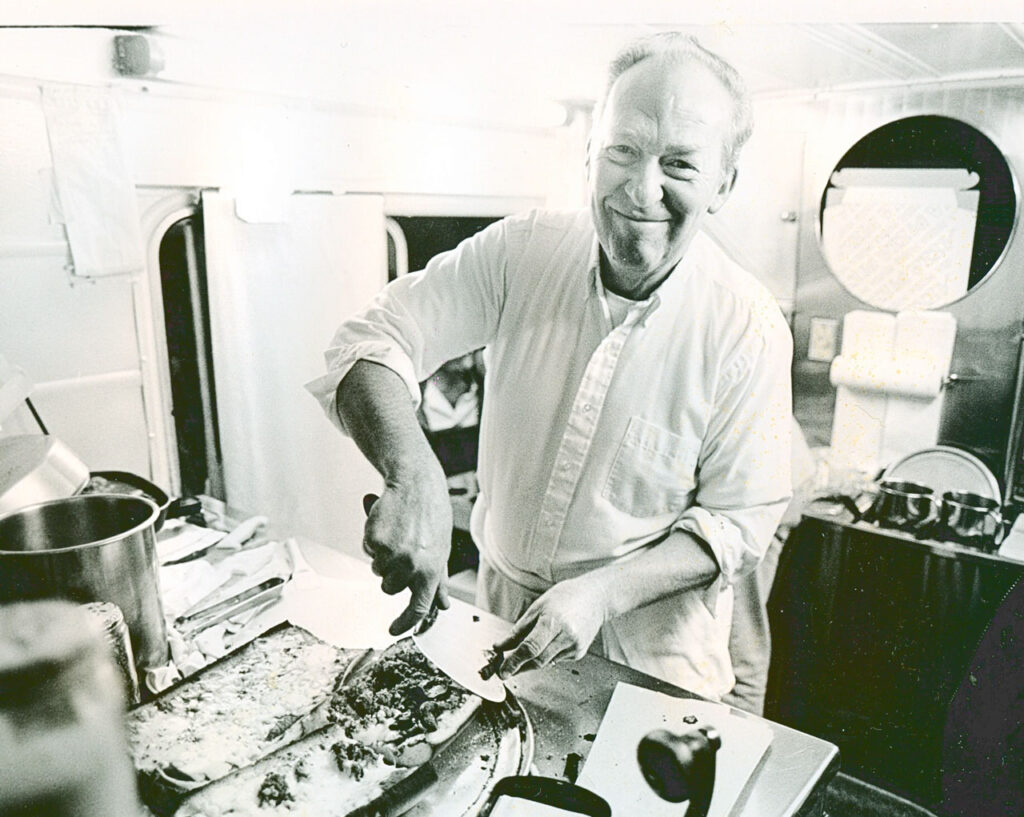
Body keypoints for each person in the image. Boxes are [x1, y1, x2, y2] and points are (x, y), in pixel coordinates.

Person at [306, 31, 793, 700]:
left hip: (650, 671)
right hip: (499, 630)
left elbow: (738, 524)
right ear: (591, 156)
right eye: (623, 150)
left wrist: (598, 595)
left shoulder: (749, 327)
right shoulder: (521, 252)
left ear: (723, 184)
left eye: (679, 163)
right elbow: (370, 339)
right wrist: (413, 475)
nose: (642, 189)